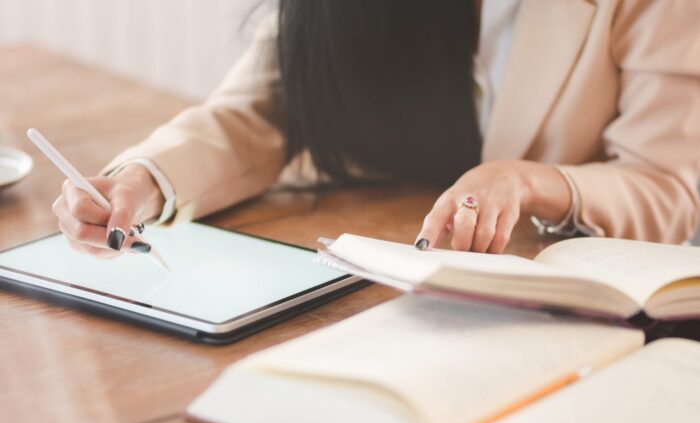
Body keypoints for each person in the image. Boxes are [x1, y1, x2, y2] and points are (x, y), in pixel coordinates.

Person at [52, 0, 700, 257]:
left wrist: (527, 182)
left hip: (576, 301)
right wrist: (143, 183)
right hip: (392, 278)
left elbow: (667, 189)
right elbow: (260, 108)